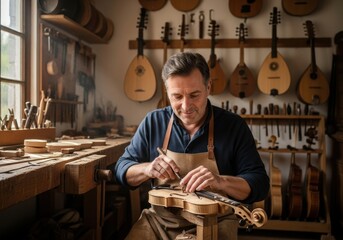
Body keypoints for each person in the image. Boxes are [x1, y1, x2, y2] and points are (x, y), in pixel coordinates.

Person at [114, 52, 269, 239]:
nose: (186, 106)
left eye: (194, 95)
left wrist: (221, 181)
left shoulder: (233, 126)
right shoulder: (153, 122)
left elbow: (259, 183)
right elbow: (122, 169)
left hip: (215, 222)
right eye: (177, 97)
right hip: (159, 223)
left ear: (208, 87)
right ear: (167, 92)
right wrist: (147, 169)